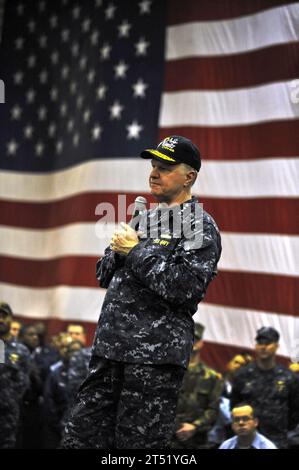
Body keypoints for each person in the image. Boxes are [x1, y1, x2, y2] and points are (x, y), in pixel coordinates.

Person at [62, 135, 222, 449]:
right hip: (109, 354)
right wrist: (120, 248)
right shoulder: (143, 220)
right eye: (153, 165)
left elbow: (185, 287)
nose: (154, 172)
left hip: (152, 363)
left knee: (138, 447)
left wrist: (135, 252)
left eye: (165, 167)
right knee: (78, 441)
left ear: (189, 176)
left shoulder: (200, 226)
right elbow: (103, 275)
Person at [231, 327, 299, 448]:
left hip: (278, 439)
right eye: (260, 343)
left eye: (267, 343)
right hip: (248, 440)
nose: (263, 347)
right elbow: (235, 407)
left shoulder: (289, 378)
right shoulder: (242, 375)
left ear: (276, 346)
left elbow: (294, 413)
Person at [173, 323, 223, 449]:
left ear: (201, 343)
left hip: (197, 441)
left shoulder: (212, 377)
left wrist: (195, 426)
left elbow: (213, 410)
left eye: (196, 338)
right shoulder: (170, 372)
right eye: (189, 337)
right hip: (168, 438)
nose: (193, 341)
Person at [0, 302, 30, 448]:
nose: (0, 320)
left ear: (11, 318)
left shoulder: (21, 351)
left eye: (4, 315)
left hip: (8, 415)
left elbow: (24, 383)